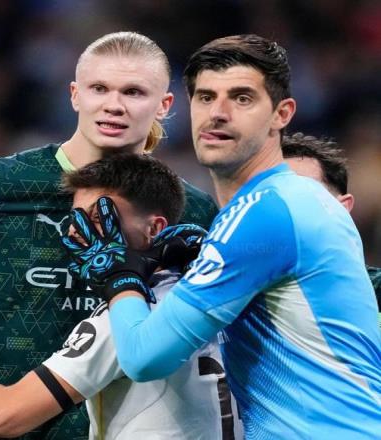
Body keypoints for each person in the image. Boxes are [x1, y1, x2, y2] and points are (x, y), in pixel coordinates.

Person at [0, 32, 217, 439]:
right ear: (75, 95)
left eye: (133, 92)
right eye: (99, 88)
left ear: (164, 105)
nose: (114, 105)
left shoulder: (193, 210)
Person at [62, 35, 381, 439]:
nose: (218, 113)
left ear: (281, 114)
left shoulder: (263, 214)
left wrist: (119, 274)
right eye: (206, 97)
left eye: (242, 98)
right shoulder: (301, 197)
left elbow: (144, 358)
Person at [0, 153, 241, 439]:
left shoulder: (126, 319)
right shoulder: (220, 294)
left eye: (99, 218)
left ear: (155, 229)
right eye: (76, 220)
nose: (80, 233)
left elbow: (3, 416)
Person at [282, 131, 381, 319]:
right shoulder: (238, 298)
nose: (286, 207)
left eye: (304, 193)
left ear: (342, 207)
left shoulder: (376, 294)